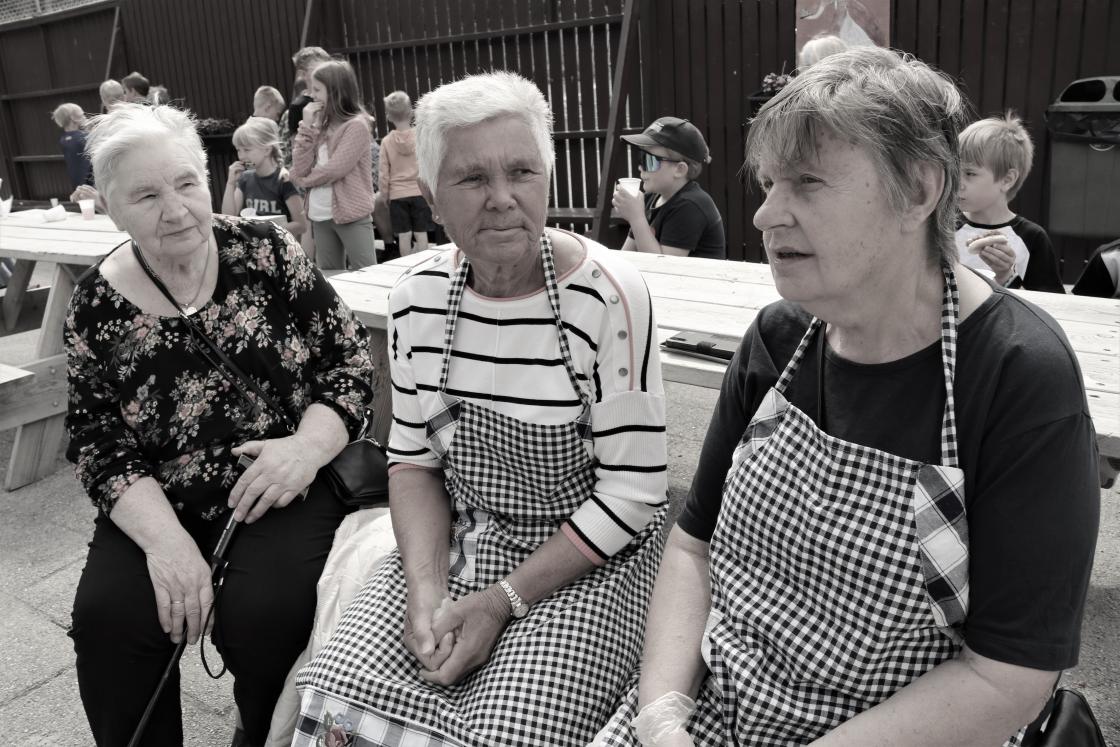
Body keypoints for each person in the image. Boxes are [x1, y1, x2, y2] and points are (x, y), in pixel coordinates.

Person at [596, 47, 1099, 746]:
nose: (766, 214)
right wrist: (660, 714)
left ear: (918, 191)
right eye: (769, 183)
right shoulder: (777, 338)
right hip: (710, 717)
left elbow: (1008, 675)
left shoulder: (1017, 376)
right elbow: (692, 546)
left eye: (806, 181)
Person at [291, 71, 669, 746]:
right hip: (468, 534)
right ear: (431, 197)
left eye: (522, 171)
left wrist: (500, 602)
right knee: (339, 701)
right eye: (472, 178)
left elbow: (634, 495)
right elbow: (412, 462)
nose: (502, 198)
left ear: (547, 179)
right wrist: (426, 590)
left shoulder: (608, 296)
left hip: (590, 556)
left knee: (510, 731)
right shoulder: (417, 299)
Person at [64, 103, 375, 747]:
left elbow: (348, 363)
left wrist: (305, 449)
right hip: (158, 497)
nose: (176, 209)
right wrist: (168, 546)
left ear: (207, 178)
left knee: (268, 613)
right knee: (109, 620)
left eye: (185, 183)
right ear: (112, 210)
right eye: (147, 195)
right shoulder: (94, 302)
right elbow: (98, 443)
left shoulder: (265, 250)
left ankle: (262, 733)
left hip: (282, 479)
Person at [956, 113, 1064, 292]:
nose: (957, 183)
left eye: (970, 173)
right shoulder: (942, 228)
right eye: (955, 171)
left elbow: (1048, 302)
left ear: (1007, 180)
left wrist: (1006, 276)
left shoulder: (1032, 238)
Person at [290, 59, 377, 269]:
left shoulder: (357, 126)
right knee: (331, 278)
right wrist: (307, 126)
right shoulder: (319, 125)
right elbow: (301, 166)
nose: (311, 95)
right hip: (320, 215)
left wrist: (302, 181)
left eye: (317, 89)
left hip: (351, 214)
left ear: (335, 91)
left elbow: (335, 169)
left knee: (367, 272)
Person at [613, 116, 726, 259]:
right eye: (641, 157)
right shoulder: (649, 199)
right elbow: (626, 257)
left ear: (679, 169)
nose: (640, 167)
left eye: (649, 160)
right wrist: (635, 217)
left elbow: (664, 267)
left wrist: (636, 218)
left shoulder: (690, 206)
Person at [224, 116, 307, 237]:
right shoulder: (245, 178)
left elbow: (301, 225)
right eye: (238, 150)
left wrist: (264, 230)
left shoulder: (284, 179)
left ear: (267, 150)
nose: (241, 156)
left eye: (247, 150)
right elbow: (228, 218)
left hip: (282, 245)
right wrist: (230, 183)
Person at [379, 90, 433, 254]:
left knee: (404, 235)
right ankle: (424, 262)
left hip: (397, 196)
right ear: (411, 112)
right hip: (419, 192)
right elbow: (428, 163)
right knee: (421, 233)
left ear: (389, 117)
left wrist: (385, 195)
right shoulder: (420, 137)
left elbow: (383, 174)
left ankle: (407, 263)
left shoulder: (386, 142)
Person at [51, 102, 92, 189]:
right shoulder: (83, 137)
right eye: (82, 115)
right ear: (73, 118)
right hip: (91, 183)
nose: (85, 117)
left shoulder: (64, 139)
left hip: (77, 184)